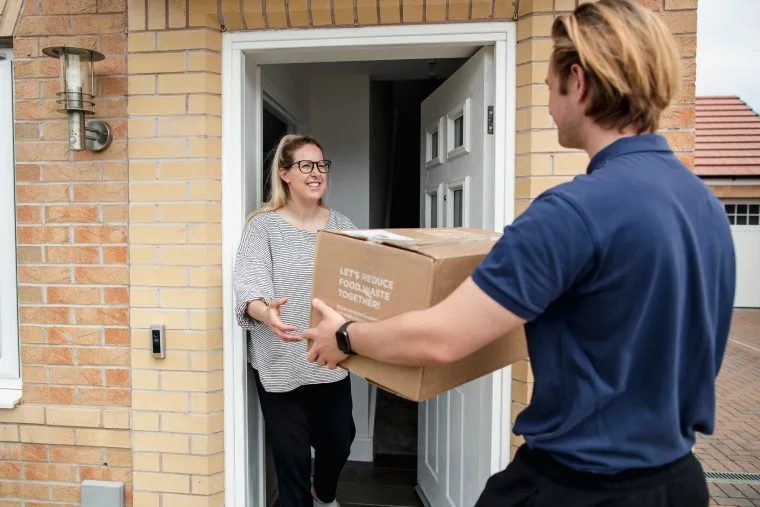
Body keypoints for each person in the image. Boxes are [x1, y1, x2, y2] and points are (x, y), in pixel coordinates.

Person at [302, 1, 736, 506]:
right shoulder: (704, 205)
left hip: (578, 488)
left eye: (549, 84)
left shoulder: (573, 212)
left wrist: (347, 336)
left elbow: (441, 338)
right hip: (677, 484)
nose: (548, 100)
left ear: (578, 81)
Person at [233, 134, 357, 507]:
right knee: (292, 463)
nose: (316, 172)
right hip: (279, 362)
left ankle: (325, 492)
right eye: (306, 165)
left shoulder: (343, 226)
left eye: (321, 165)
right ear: (285, 174)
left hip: (328, 357)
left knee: (340, 439)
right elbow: (249, 282)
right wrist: (264, 311)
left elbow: (355, 285)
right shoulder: (262, 226)